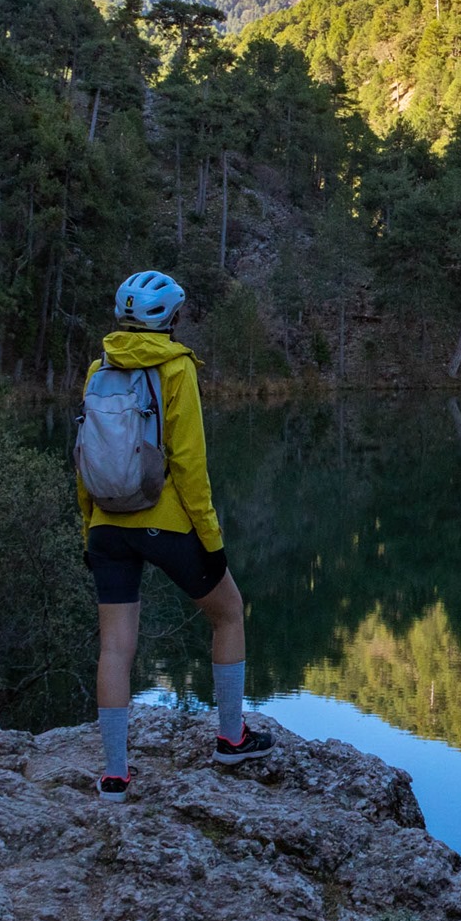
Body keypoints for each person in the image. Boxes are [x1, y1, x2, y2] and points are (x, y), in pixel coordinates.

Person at [79, 270, 273, 802]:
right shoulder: (176, 368)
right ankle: (230, 738)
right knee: (229, 610)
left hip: (106, 526)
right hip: (165, 521)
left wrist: (87, 526)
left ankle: (115, 777)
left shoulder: (100, 368)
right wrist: (211, 537)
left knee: (115, 647)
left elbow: (84, 459)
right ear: (171, 319)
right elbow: (189, 464)